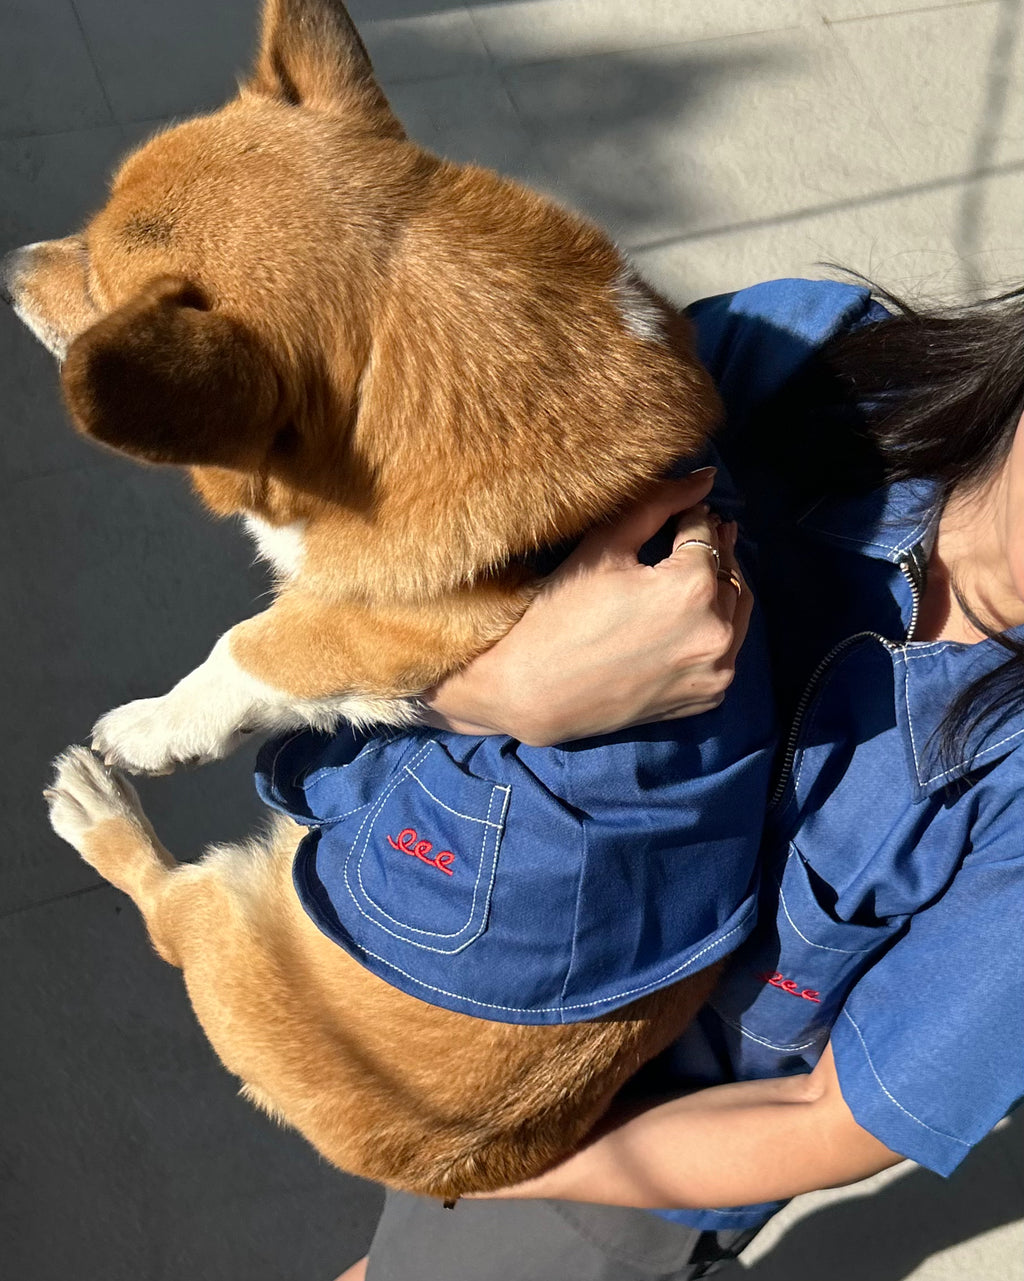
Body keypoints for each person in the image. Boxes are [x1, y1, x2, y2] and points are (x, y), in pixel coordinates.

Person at [338, 277, 1024, 1281]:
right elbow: (361, 559)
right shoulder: (784, 362)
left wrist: (496, 1164)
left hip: (610, 1151)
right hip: (427, 948)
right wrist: (497, 687)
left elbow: (829, 1118)